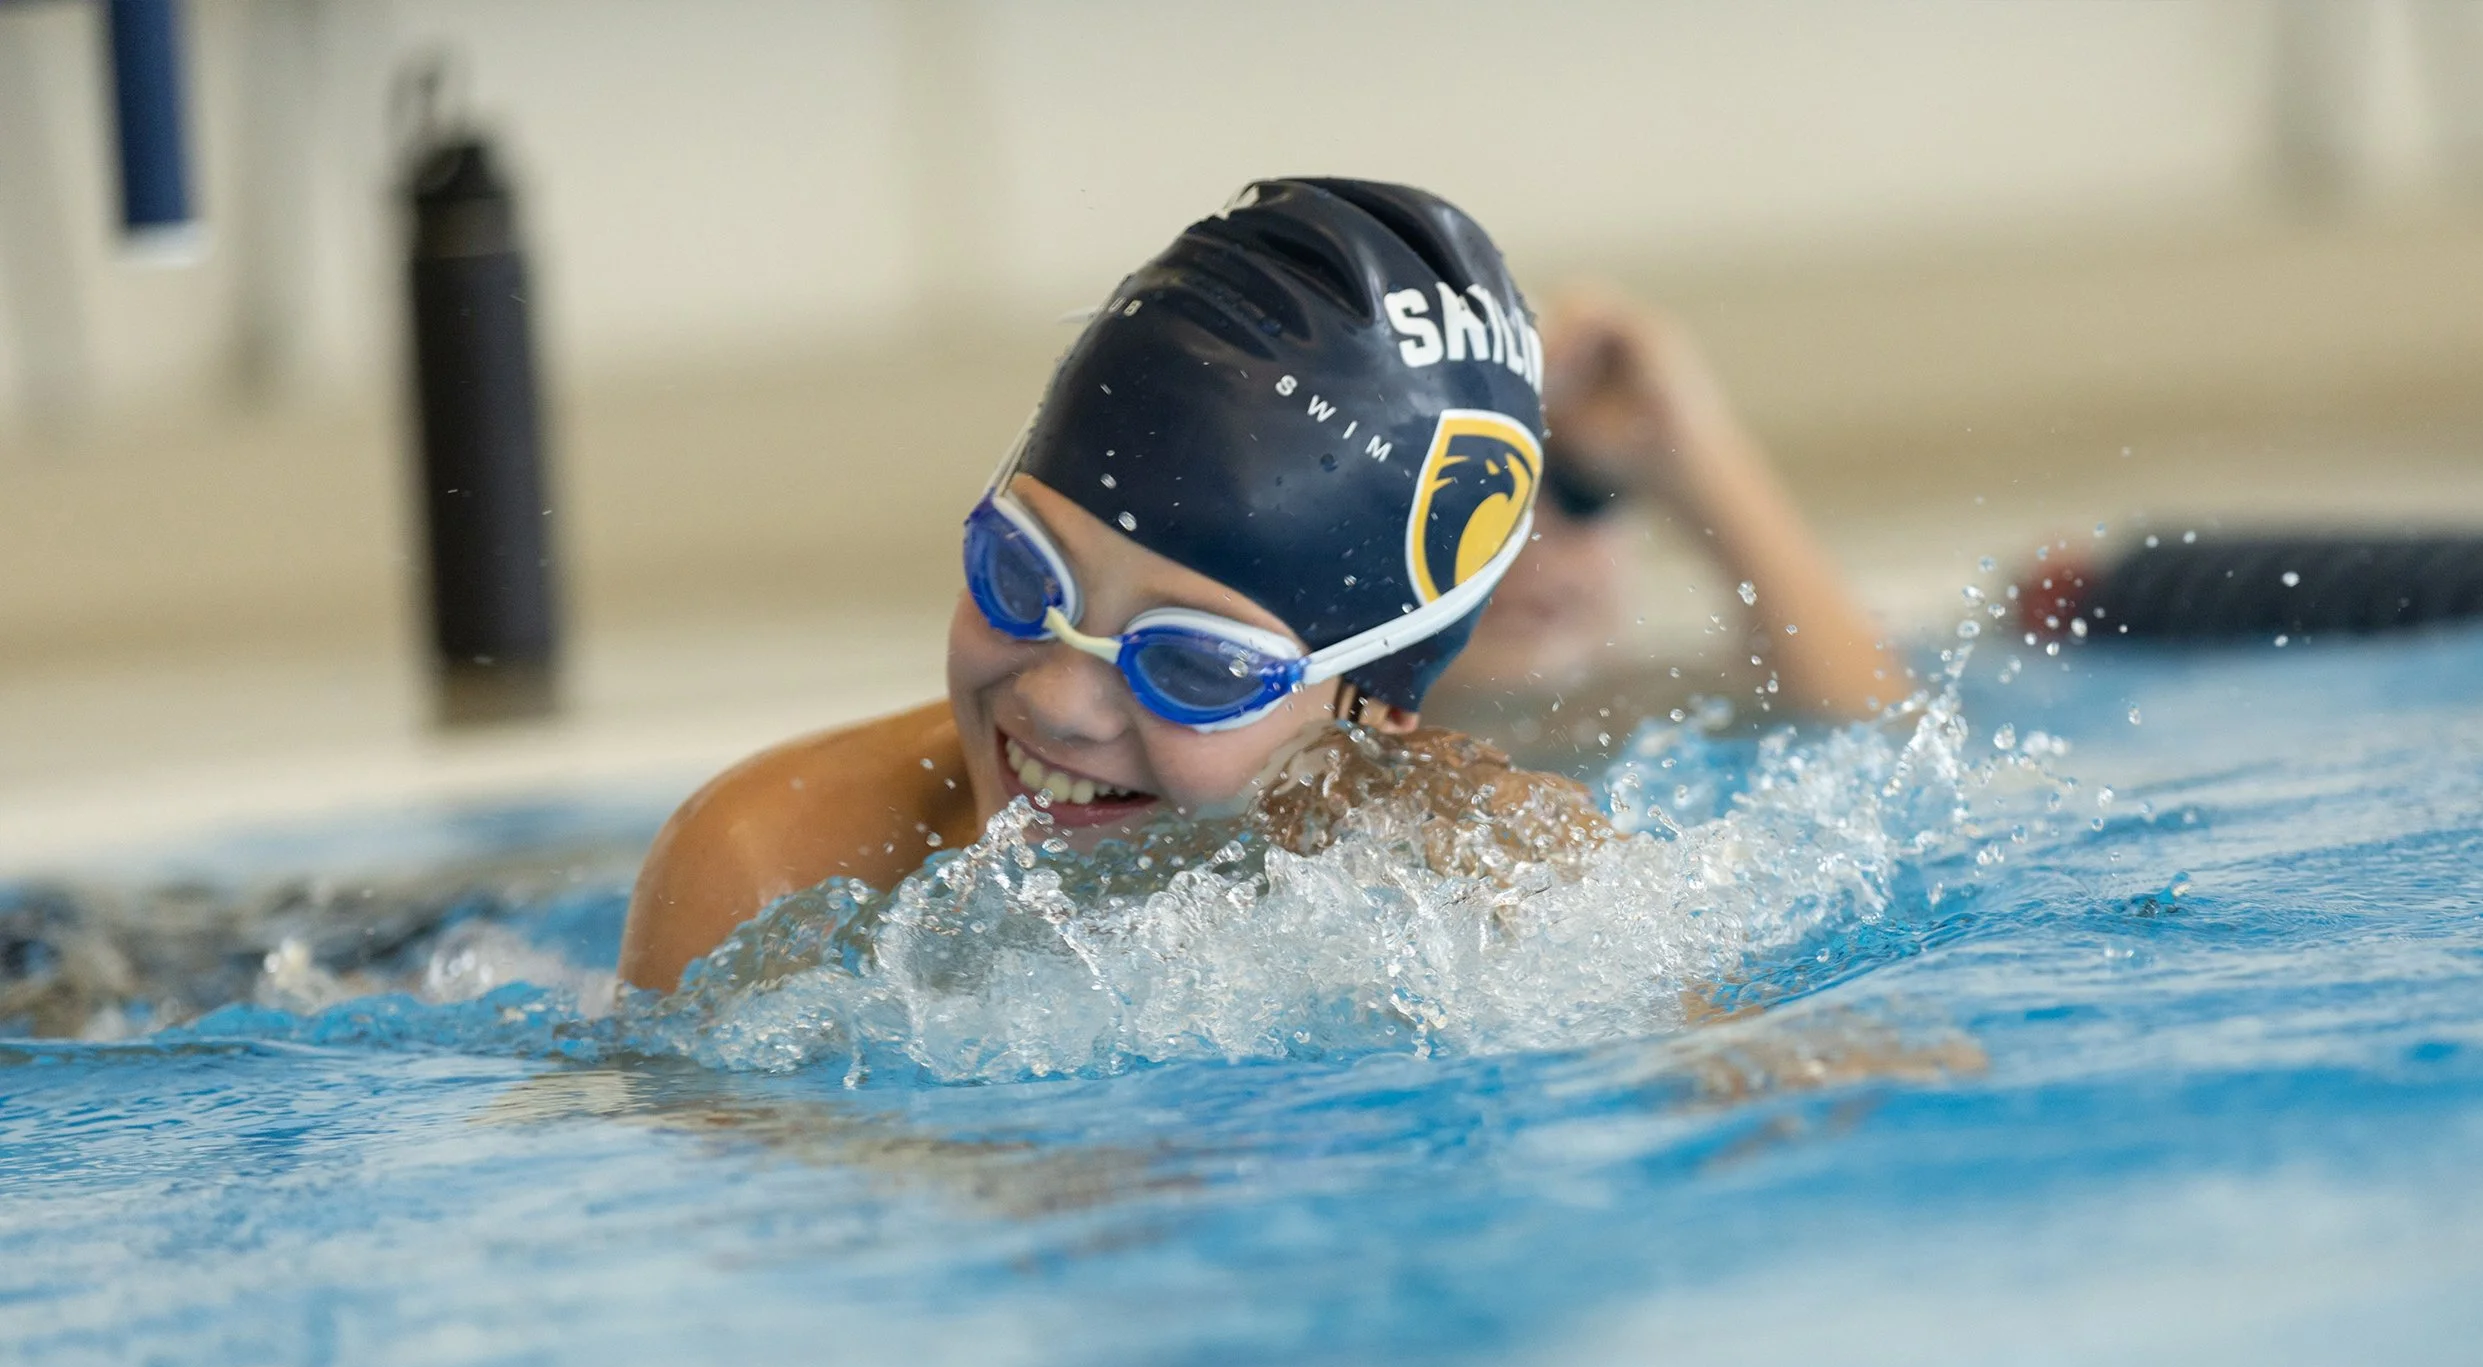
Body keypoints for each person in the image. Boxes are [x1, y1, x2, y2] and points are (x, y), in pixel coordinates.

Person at [619, 182, 1893, 994]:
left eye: (1195, 662)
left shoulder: (1488, 885)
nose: (1059, 700)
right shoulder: (762, 870)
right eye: (1021, 574)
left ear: (1372, 708)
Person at [1434, 286, 1896, 718]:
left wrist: (1702, 457)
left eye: (1582, 489)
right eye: (1470, 492)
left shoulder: (1680, 718)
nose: (1531, 540)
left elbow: (1876, 725)